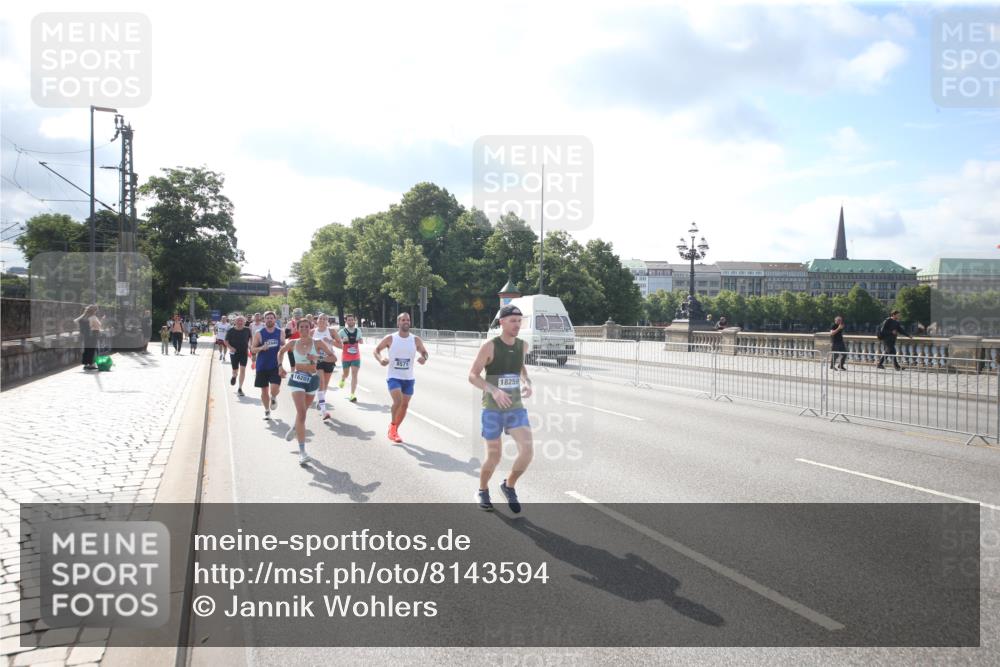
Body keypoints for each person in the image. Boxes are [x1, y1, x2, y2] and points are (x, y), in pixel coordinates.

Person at [467, 304, 533, 512]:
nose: (517, 324)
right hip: (493, 409)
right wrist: (493, 390)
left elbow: (519, 365)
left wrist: (526, 381)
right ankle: (482, 489)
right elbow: (472, 375)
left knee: (528, 451)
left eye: (519, 320)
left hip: (515, 407)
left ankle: (509, 484)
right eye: (512, 321)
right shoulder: (490, 346)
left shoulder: (523, 345)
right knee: (494, 457)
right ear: (502, 322)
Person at [278, 317, 336, 465]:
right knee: (302, 413)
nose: (304, 329)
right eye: (301, 327)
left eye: (306, 327)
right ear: (297, 328)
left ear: (310, 328)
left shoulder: (317, 343)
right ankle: (302, 452)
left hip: (312, 379)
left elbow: (333, 357)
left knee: (302, 412)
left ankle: (294, 427)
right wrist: (280, 366)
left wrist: (318, 356)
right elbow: (281, 352)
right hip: (297, 379)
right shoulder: (293, 343)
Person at [373, 312, 429, 444]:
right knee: (397, 402)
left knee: (404, 406)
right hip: (394, 377)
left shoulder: (415, 340)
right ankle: (393, 426)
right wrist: (381, 359)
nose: (406, 322)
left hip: (409, 378)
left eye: (408, 320)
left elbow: (425, 353)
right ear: (398, 323)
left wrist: (423, 358)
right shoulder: (390, 338)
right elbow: (376, 350)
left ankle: (394, 430)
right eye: (403, 320)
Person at [250, 311, 285, 419]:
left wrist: (284, 348)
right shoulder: (259, 333)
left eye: (271, 318)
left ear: (275, 319)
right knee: (264, 390)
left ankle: (273, 397)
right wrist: (261, 348)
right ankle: (267, 411)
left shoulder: (280, 332)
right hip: (262, 366)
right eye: (267, 318)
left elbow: (283, 345)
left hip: (275, 365)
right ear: (264, 320)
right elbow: (252, 349)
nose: (269, 319)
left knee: (274, 388)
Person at [313, 313, 342, 418]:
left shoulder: (331, 331)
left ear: (327, 321)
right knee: (321, 382)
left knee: (325, 384)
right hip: (318, 360)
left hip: (329, 359)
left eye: (324, 319)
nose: (322, 320)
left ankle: (320, 401)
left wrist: (330, 341)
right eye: (320, 318)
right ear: (317, 320)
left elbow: (341, 345)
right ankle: (323, 408)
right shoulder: (312, 332)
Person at [338, 313, 364, 402]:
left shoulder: (358, 331)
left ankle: (352, 395)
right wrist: (342, 341)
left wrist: (360, 340)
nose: (351, 321)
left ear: (355, 320)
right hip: (345, 357)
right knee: (346, 374)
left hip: (356, 357)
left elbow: (361, 341)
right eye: (349, 320)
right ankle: (343, 379)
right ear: (346, 321)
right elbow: (336, 342)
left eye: (352, 319)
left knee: (354, 374)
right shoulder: (342, 332)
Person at [226, 315, 253, 396]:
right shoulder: (230, 330)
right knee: (235, 370)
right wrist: (230, 347)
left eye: (241, 321)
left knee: (243, 369)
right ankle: (234, 376)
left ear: (244, 322)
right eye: (238, 321)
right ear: (235, 322)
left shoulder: (247, 330)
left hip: (244, 352)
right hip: (234, 353)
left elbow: (251, 338)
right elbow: (226, 341)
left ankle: (240, 388)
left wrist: (250, 345)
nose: (240, 322)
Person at [75, 304, 101, 371]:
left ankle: (87, 364)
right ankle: (91, 364)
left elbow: (75, 321)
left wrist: (84, 314)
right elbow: (98, 325)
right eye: (96, 310)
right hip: (93, 334)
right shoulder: (93, 317)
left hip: (87, 335)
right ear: (94, 311)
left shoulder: (85, 317)